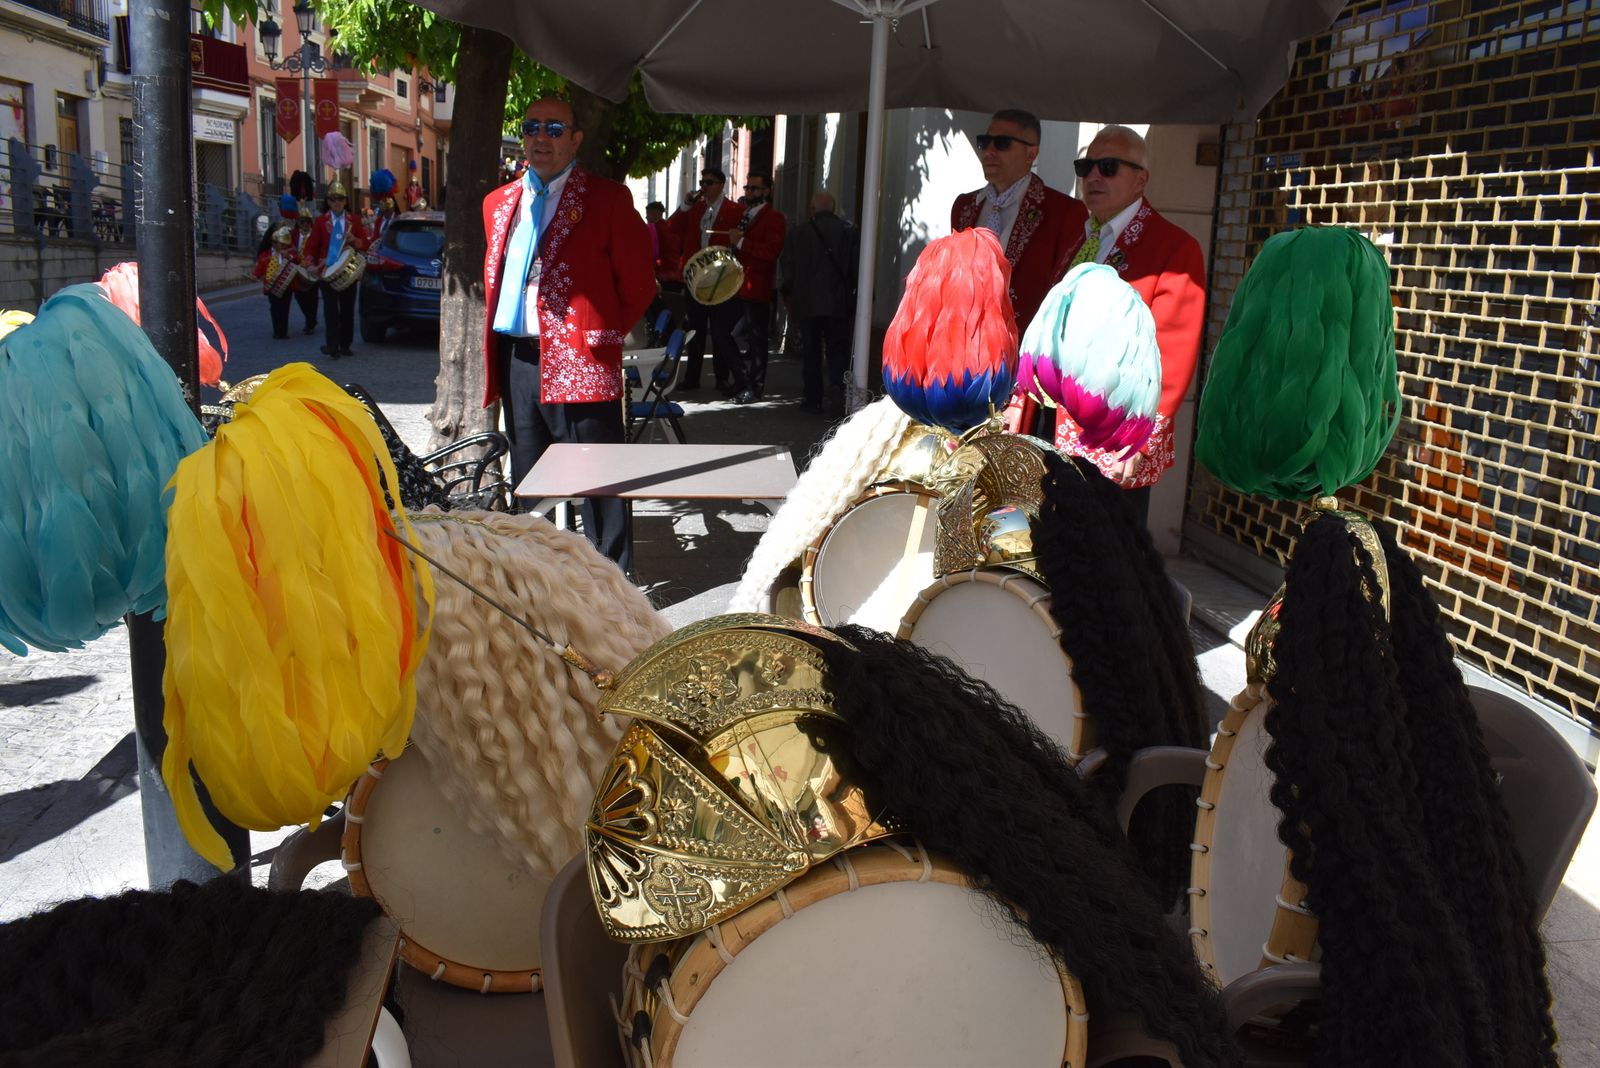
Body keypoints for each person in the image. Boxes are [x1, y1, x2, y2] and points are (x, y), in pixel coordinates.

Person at [481, 96, 654, 574]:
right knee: (532, 479)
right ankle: (539, 582)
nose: (541, 137)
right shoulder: (498, 204)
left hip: (582, 357)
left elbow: (639, 284)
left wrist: (598, 333)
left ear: (576, 139)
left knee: (598, 482)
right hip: (518, 359)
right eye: (532, 126)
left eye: (554, 128)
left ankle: (613, 587)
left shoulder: (607, 199)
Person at [1049, 124, 1205, 525]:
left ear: (1141, 180)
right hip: (1059, 422)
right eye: (1086, 167)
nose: (1093, 177)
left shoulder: (1174, 247)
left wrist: (1138, 437)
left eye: (1108, 166)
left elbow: (1173, 354)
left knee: (1113, 554)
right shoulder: (1079, 237)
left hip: (1119, 431)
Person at [950, 109, 1086, 332]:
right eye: (985, 142)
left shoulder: (1065, 212)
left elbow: (1067, 291)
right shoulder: (964, 206)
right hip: (967, 341)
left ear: (1031, 154)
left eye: (1002, 143)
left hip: (1024, 348)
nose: (990, 151)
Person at [779, 190, 858, 414]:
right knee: (837, 349)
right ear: (832, 210)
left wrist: (789, 293)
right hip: (837, 302)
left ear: (812, 209)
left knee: (811, 351)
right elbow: (855, 267)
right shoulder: (848, 232)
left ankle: (812, 397)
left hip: (807, 302)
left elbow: (788, 266)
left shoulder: (798, 233)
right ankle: (836, 387)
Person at [667, 167, 743, 392]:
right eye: (703, 182)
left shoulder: (734, 210)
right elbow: (671, 228)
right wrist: (685, 205)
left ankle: (722, 376)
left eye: (709, 183)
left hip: (720, 277)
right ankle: (692, 377)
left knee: (720, 330)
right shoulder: (695, 209)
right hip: (696, 278)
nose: (704, 187)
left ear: (721, 185)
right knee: (696, 329)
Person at [727, 172, 786, 403]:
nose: (749, 192)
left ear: (766, 191)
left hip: (757, 287)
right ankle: (743, 380)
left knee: (757, 340)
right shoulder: (745, 214)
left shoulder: (774, 218)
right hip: (736, 286)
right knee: (725, 333)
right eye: (747, 187)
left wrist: (741, 242)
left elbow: (770, 253)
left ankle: (755, 386)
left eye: (754, 188)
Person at [302, 182, 371, 359]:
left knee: (348, 310)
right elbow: (311, 247)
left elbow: (365, 244)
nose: (337, 202)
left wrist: (354, 239)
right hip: (327, 272)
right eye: (333, 199)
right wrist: (309, 264)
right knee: (330, 311)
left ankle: (345, 344)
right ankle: (332, 345)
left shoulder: (354, 221)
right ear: (328, 201)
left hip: (348, 270)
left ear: (346, 201)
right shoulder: (320, 222)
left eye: (340, 199)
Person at [251, 227, 300, 339]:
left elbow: (298, 260)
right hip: (272, 285)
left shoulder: (289, 251)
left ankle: (283, 330)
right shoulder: (265, 254)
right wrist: (255, 275)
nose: (282, 246)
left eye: (283, 244)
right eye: (279, 243)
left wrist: (289, 256)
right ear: (273, 243)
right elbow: (260, 267)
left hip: (286, 284)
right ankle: (276, 330)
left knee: (285, 308)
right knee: (274, 308)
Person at [644, 199, 685, 330]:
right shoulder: (672, 226)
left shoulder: (654, 229)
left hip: (663, 275)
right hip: (676, 274)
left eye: (648, 214)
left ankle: (665, 336)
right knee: (674, 309)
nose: (646, 217)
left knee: (662, 311)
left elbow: (652, 254)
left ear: (655, 214)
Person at [288, 201, 319, 336]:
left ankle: (310, 321)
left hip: (312, 268)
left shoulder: (315, 234)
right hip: (298, 269)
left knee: (312, 297)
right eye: (302, 221)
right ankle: (308, 316)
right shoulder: (292, 234)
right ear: (298, 222)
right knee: (300, 297)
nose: (305, 224)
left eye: (307, 221)